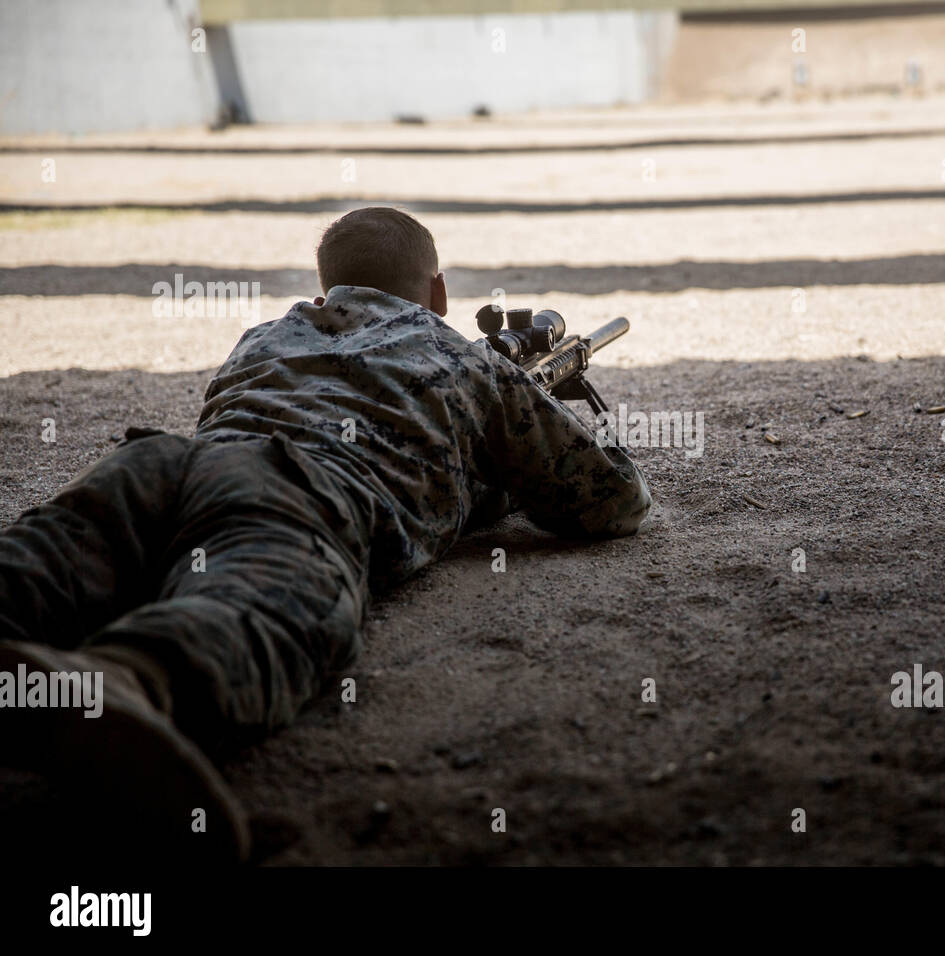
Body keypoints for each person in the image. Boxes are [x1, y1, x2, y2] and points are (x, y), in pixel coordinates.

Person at [0, 207, 651, 861]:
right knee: (265, 604)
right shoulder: (466, 362)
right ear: (441, 295)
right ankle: (126, 683)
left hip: (158, 464)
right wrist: (510, 440)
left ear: (323, 295)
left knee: (46, 561)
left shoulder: (265, 335)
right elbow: (611, 503)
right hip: (299, 491)